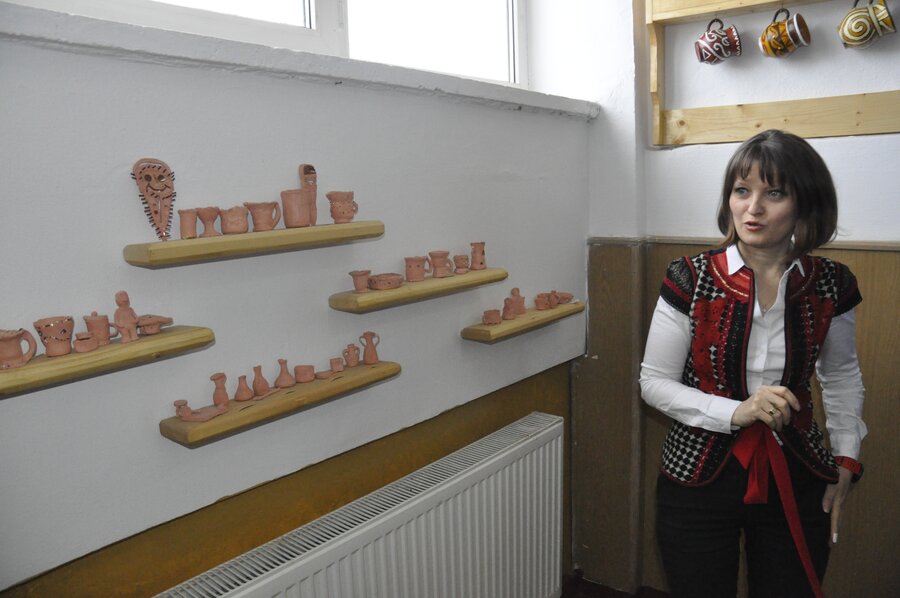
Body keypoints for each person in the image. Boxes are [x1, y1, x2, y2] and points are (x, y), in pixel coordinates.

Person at [639, 130, 866, 598]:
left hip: (797, 470)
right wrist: (736, 412)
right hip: (695, 476)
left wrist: (847, 457)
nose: (753, 208)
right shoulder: (689, 277)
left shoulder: (832, 283)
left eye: (774, 193)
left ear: (805, 204)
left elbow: (842, 376)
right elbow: (654, 382)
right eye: (742, 190)